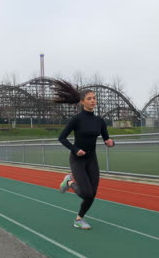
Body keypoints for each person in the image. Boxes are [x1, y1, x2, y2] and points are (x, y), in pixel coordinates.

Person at [52, 79, 114, 230]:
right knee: (86, 193)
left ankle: (79, 219)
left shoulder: (100, 121)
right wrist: (75, 149)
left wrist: (110, 142)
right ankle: (68, 182)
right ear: (82, 102)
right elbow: (61, 138)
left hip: (92, 159)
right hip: (77, 160)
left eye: (94, 98)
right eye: (89, 98)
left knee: (92, 194)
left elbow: (107, 138)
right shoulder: (76, 119)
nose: (93, 101)